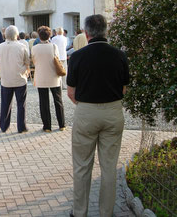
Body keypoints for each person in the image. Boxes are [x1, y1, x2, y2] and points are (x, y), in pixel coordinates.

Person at [67, 14, 129, 217]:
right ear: (106, 31)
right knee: (109, 167)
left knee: (82, 166)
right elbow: (124, 88)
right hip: (113, 111)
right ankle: (106, 213)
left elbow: (71, 92)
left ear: (86, 33)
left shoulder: (77, 56)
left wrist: (86, 105)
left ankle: (79, 212)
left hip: (86, 111)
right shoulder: (120, 55)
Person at [0, 25, 29, 133]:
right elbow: (27, 62)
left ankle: (4, 125)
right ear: (17, 35)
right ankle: (21, 126)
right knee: (21, 104)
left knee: (5, 103)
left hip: (5, 79)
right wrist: (23, 70)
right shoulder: (22, 46)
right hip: (19, 78)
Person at [31, 26, 66, 132]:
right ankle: (61, 124)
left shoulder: (34, 48)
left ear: (39, 36)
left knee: (44, 102)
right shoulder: (53, 46)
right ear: (49, 35)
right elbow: (57, 59)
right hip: (54, 77)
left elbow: (34, 61)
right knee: (58, 100)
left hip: (41, 76)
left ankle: (47, 126)